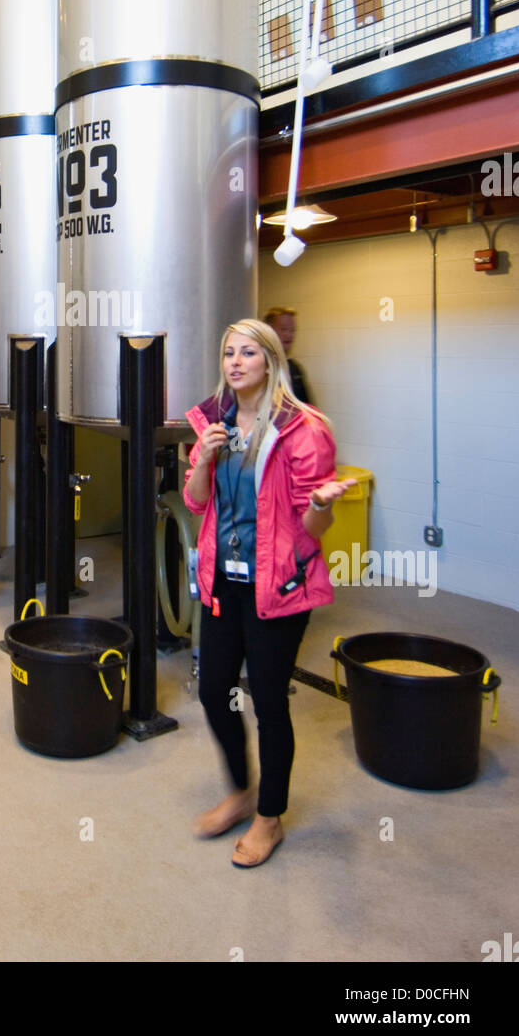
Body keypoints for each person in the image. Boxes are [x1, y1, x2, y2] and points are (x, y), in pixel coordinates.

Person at [182, 319, 355, 867]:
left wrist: (323, 502)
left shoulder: (303, 429)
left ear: (270, 361)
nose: (235, 362)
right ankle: (240, 792)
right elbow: (194, 502)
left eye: (248, 353)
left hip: (278, 584)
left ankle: (269, 817)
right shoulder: (213, 421)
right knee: (213, 691)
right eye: (228, 352)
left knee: (270, 704)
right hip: (223, 581)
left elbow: (311, 528)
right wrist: (205, 459)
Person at [263, 305, 312, 405]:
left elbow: (306, 407)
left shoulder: (294, 368)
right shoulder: (258, 367)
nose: (289, 335)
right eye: (283, 329)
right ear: (267, 330)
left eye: (292, 330)